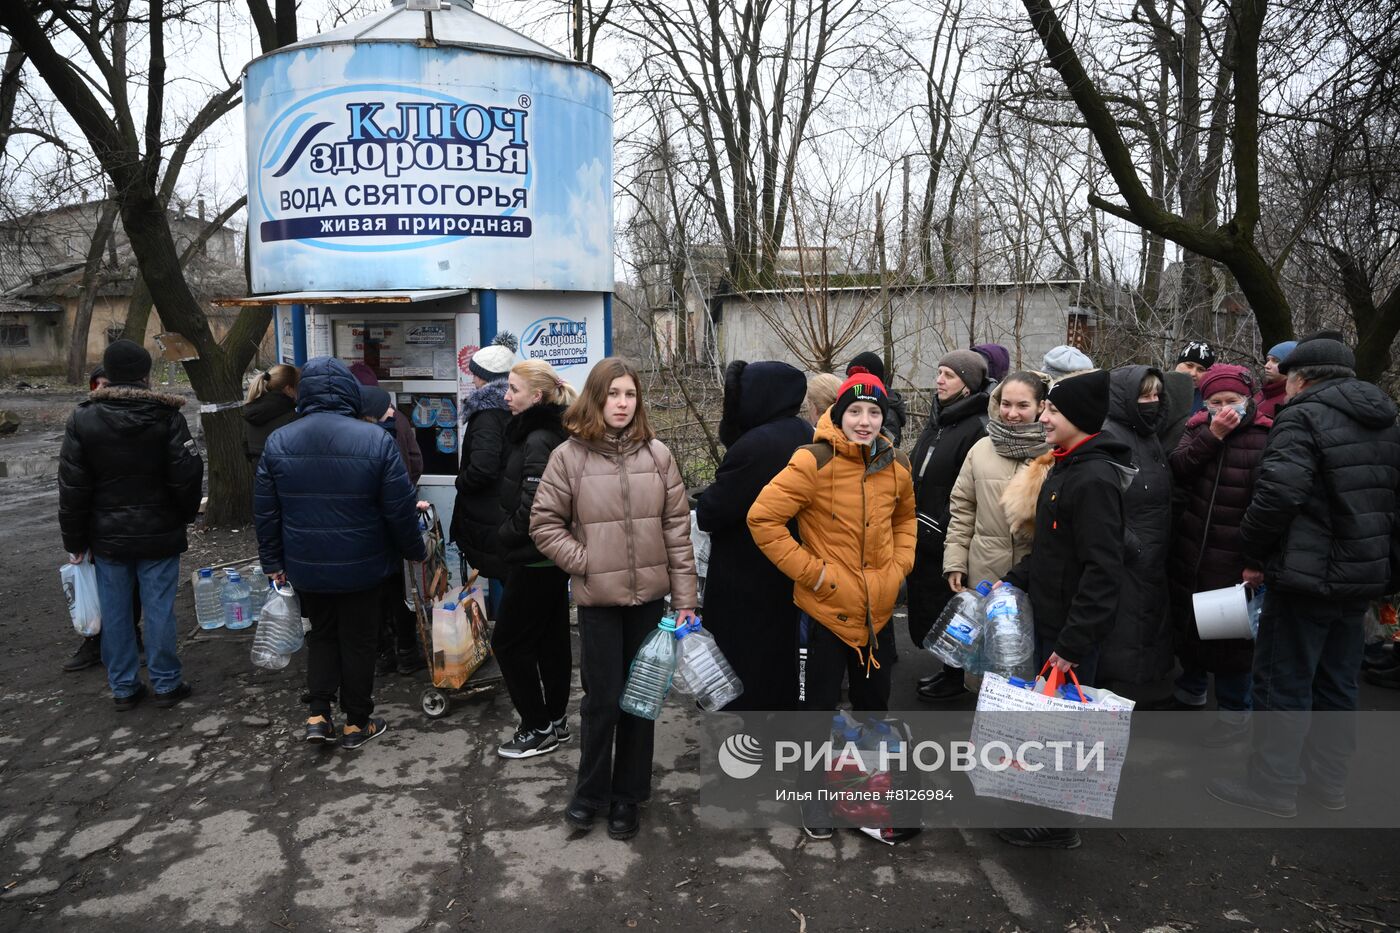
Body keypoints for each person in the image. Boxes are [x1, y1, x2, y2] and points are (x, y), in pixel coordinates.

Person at [1207, 339, 1400, 817]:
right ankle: (1328, 784)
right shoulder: (1388, 418)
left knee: (1283, 680)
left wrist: (1252, 549)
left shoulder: (1302, 415)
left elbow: (1277, 495)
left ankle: (1273, 785)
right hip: (1362, 573)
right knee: (1339, 682)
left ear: (1301, 377)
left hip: (1305, 574)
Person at [530, 357, 699, 840]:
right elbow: (543, 524)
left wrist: (686, 598)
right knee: (601, 701)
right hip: (599, 603)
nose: (622, 404)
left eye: (630, 394)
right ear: (596, 398)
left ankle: (629, 796)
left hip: (650, 605)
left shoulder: (658, 455)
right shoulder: (569, 456)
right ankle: (591, 794)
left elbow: (677, 532)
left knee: (639, 702)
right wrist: (586, 561)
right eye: (613, 394)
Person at [748, 369, 916, 838]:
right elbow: (763, 520)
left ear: (884, 417)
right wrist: (813, 573)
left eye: (874, 412)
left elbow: (906, 518)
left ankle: (865, 792)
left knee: (873, 708)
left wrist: (900, 565)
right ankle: (814, 798)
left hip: (877, 614)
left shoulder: (895, 464)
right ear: (837, 415)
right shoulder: (812, 461)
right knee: (816, 715)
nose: (864, 421)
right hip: (822, 614)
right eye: (855, 412)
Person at [254, 357, 427, 750]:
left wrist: (273, 562)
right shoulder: (375, 440)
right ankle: (357, 722)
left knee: (323, 635)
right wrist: (414, 550)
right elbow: (398, 509)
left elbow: (266, 510)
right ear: (349, 392)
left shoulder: (279, 440)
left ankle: (317, 715)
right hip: (363, 563)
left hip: (306, 564)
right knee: (360, 640)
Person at [998, 369, 1134, 849]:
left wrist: (1073, 644)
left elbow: (1102, 569)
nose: (1045, 417)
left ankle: (1056, 824)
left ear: (1078, 417)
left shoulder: (1093, 478)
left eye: (1053, 410)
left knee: (1065, 729)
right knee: (1049, 724)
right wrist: (1013, 580)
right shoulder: (1065, 465)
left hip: (1071, 633)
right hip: (1052, 620)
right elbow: (1056, 549)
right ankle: (1039, 805)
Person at [58, 340, 203, 710]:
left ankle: (123, 687)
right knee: (158, 608)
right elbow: (186, 476)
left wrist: (74, 540)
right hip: (159, 531)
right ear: (145, 374)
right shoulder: (167, 416)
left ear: (106, 374)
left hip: (107, 536)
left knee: (117, 611)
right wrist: (182, 516)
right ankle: (167, 683)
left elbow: (74, 486)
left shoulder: (83, 418)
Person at [1147, 366, 1273, 745]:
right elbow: (1179, 469)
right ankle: (1190, 693)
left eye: (1231, 402)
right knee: (1191, 628)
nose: (1223, 409)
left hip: (1234, 558)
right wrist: (1213, 436)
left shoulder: (1265, 436)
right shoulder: (1197, 428)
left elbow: (1268, 504)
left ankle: (1235, 718)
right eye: (1215, 402)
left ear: (1247, 400)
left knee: (1231, 644)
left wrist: (1257, 561)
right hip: (1192, 550)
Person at [696, 360, 813, 711]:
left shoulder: (756, 445)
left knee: (747, 659)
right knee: (780, 655)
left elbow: (711, 512)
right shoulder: (804, 432)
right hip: (788, 567)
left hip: (746, 573)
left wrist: (709, 497)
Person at [491, 360, 577, 758]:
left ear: (537, 396)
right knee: (550, 641)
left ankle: (537, 726)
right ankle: (556, 720)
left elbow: (534, 508)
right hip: (548, 558)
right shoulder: (546, 432)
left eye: (513, 389)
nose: (506, 396)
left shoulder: (539, 438)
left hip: (535, 559)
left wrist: (503, 535)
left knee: (507, 643)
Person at [908, 350, 990, 701]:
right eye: (938, 372)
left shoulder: (975, 427)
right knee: (930, 603)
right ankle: (946, 668)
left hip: (946, 533)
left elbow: (966, 489)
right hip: (922, 530)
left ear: (968, 386)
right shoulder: (938, 420)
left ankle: (955, 675)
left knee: (952, 607)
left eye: (948, 375)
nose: (939, 380)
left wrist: (938, 522)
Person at [942, 371, 1050, 633]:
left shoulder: (1054, 452)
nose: (1012, 413)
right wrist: (955, 562)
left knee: (1028, 657)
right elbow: (962, 510)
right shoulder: (980, 449)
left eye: (1023, 405)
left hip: (1036, 579)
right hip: (984, 576)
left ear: (1041, 407)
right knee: (986, 658)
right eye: (1006, 404)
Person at [1096, 366, 1173, 688]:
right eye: (1144, 395)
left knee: (1146, 625)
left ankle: (1145, 690)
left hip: (1152, 555)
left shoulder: (1147, 433)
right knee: (1124, 631)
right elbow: (1101, 505)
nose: (1152, 401)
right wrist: (1133, 546)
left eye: (1156, 394)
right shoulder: (1110, 435)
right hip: (1128, 556)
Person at [351, 368, 425, 676]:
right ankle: (407, 652)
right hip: (395, 521)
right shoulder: (400, 425)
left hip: (366, 530)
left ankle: (382, 654)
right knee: (399, 590)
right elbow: (416, 461)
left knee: (371, 594)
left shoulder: (353, 435)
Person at [452, 334, 516, 618]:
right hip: (503, 514)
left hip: (490, 517)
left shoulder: (488, 414)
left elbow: (482, 468)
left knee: (511, 590)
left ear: (482, 377)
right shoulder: (511, 408)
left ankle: (511, 645)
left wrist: (460, 481)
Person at [242, 364, 300, 466]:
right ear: (288, 389)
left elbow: (246, 451)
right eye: (298, 387)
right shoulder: (293, 420)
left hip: (260, 478)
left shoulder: (250, 414)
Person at [845, 352, 907, 445]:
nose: (850, 382)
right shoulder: (870, 403)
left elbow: (887, 453)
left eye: (854, 377)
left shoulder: (888, 413)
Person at [1254, 341, 1297, 419]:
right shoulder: (1263, 393)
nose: (1266, 366)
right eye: (1268, 360)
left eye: (1276, 361)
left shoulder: (1291, 400)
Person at [1174, 341, 1216, 414]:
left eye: (1201, 369)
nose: (1193, 373)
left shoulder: (1210, 400)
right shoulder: (1156, 389)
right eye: (1189, 365)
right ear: (1178, 364)